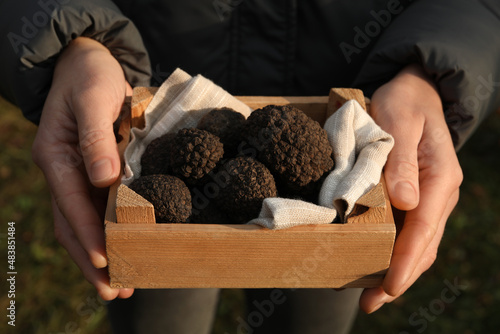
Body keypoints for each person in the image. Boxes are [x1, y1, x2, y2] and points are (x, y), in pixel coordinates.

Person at [1, 0, 499, 333]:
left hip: (351, 87)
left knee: (313, 309)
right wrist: (73, 38)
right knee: (155, 308)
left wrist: (428, 71)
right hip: (142, 70)